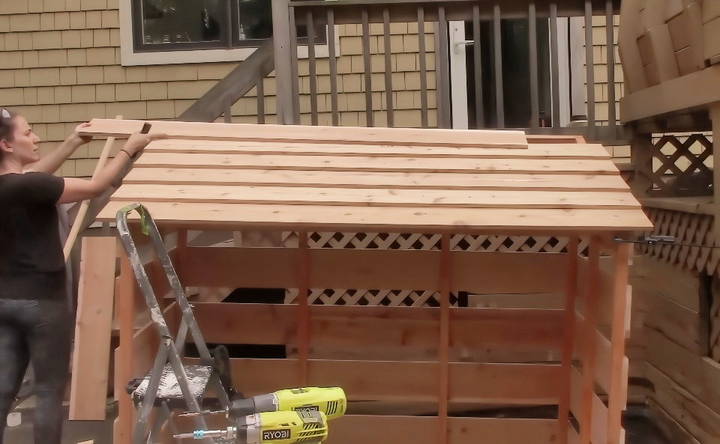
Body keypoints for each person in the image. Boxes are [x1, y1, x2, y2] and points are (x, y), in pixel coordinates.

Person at [0, 107, 165, 444]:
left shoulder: (14, 186)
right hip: (43, 306)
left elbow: (35, 181)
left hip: (5, 301)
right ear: (6, 144)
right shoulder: (28, 186)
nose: (36, 138)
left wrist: (74, 141)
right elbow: (95, 187)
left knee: (3, 388)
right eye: (28, 132)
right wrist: (129, 149)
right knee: (48, 392)